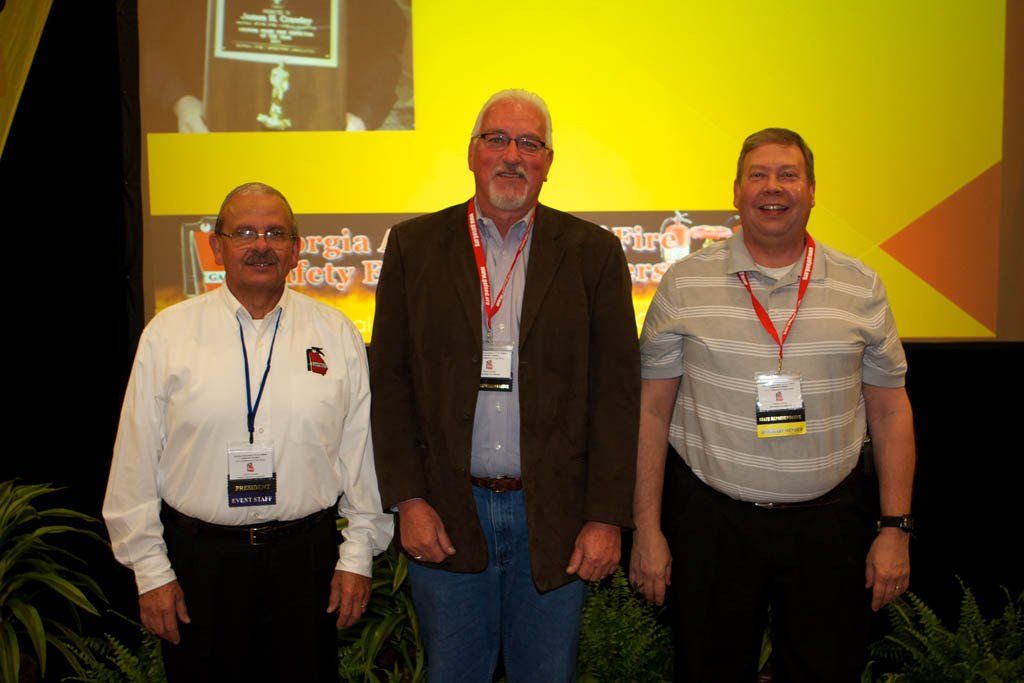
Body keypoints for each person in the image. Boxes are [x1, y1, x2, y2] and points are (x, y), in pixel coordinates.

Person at [369, 89, 640, 682]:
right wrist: (408, 501)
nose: (512, 155)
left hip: (558, 520)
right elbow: (389, 385)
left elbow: (618, 398)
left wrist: (605, 517)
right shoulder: (415, 247)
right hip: (445, 513)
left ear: (548, 162)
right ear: (471, 153)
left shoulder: (594, 253)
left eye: (529, 143)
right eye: (496, 139)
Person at [630, 128, 916, 681]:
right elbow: (650, 413)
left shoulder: (862, 286)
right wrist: (647, 529)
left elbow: (890, 412)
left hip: (829, 526)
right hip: (712, 524)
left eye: (788, 175)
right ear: (736, 191)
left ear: (811, 191)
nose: (772, 188)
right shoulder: (684, 284)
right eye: (758, 175)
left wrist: (894, 528)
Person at [104, 182, 393, 682]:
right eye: (244, 232)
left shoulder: (335, 333)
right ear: (216, 245)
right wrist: (151, 573)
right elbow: (134, 463)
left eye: (275, 233)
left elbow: (360, 457)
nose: (261, 245)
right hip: (200, 567)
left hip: (306, 565)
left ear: (296, 249)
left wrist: (357, 557)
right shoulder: (167, 335)